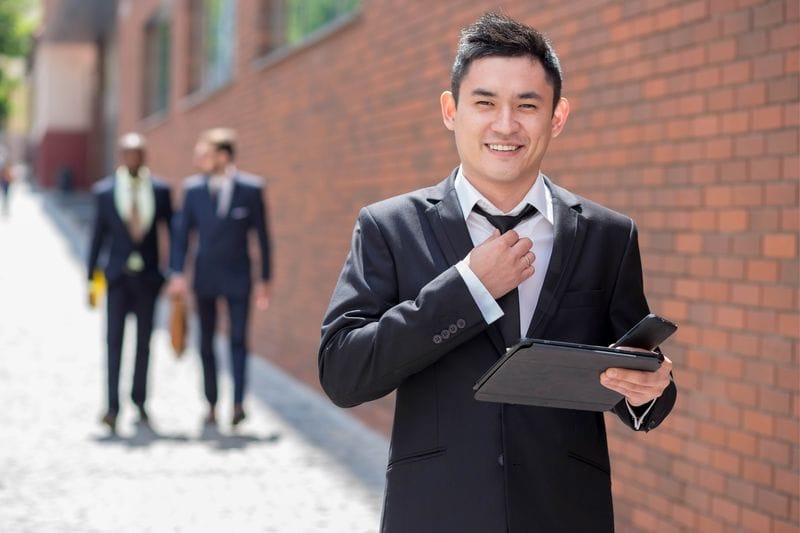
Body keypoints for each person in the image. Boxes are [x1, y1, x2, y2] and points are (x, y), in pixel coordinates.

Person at [318, 12, 677, 533]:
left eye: (527, 105)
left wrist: (652, 389)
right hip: (436, 511)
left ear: (557, 116)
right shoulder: (388, 227)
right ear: (451, 110)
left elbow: (631, 372)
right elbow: (342, 373)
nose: (505, 125)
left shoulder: (608, 234)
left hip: (566, 511)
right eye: (485, 102)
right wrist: (468, 288)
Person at [168, 128, 272, 427]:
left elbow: (262, 238)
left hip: (240, 278)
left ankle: (238, 403)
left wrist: (265, 280)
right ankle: (211, 404)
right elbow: (181, 236)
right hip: (205, 279)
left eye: (206, 154)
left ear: (223, 156)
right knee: (206, 342)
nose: (199, 159)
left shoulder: (251, 189)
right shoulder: (193, 190)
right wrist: (177, 273)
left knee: (239, 340)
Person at [87, 133, 174, 433]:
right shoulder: (104, 191)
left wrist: (171, 271)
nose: (133, 157)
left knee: (144, 345)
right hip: (117, 280)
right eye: (127, 153)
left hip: (149, 281)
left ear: (145, 155)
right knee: (114, 343)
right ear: (121, 156)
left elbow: (171, 234)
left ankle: (140, 402)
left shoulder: (161, 190)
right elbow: (97, 238)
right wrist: (91, 282)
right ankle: (112, 407)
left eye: (138, 152)